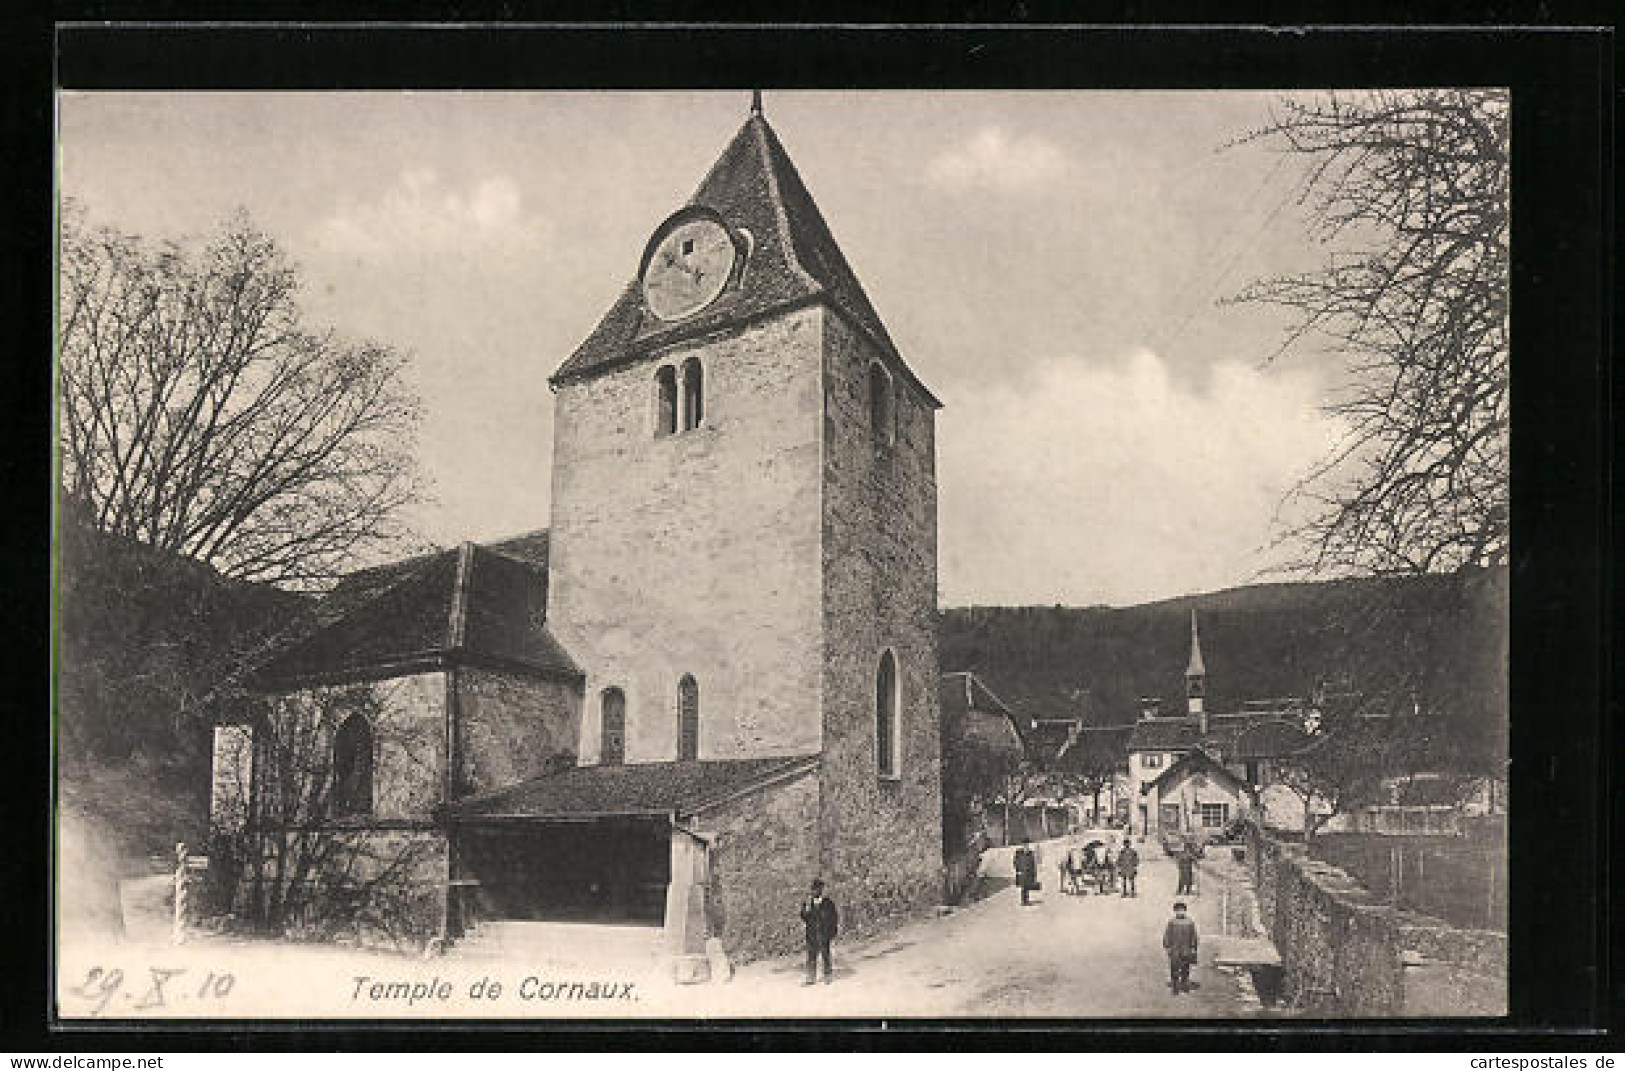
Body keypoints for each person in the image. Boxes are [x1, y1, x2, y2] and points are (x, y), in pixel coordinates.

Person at [800, 878, 839, 985]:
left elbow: (834, 919)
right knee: (811, 956)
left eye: (817, 889)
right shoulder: (809, 904)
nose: (814, 892)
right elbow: (805, 918)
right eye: (813, 890)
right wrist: (804, 910)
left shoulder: (828, 903)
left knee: (825, 955)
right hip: (812, 935)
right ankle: (811, 977)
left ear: (821, 890)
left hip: (824, 934)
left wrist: (832, 932)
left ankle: (828, 975)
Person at [1162, 901, 1199, 994]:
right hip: (1175, 950)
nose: (1180, 912)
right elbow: (1167, 935)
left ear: (1185, 911)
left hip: (1186, 949)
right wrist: (1167, 947)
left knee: (1185, 968)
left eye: (1182, 910)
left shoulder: (1190, 922)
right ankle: (1175, 987)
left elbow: (1193, 936)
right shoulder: (1172, 922)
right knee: (1174, 968)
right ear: (1175, 911)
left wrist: (1194, 948)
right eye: (1178, 910)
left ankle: (1184, 985)